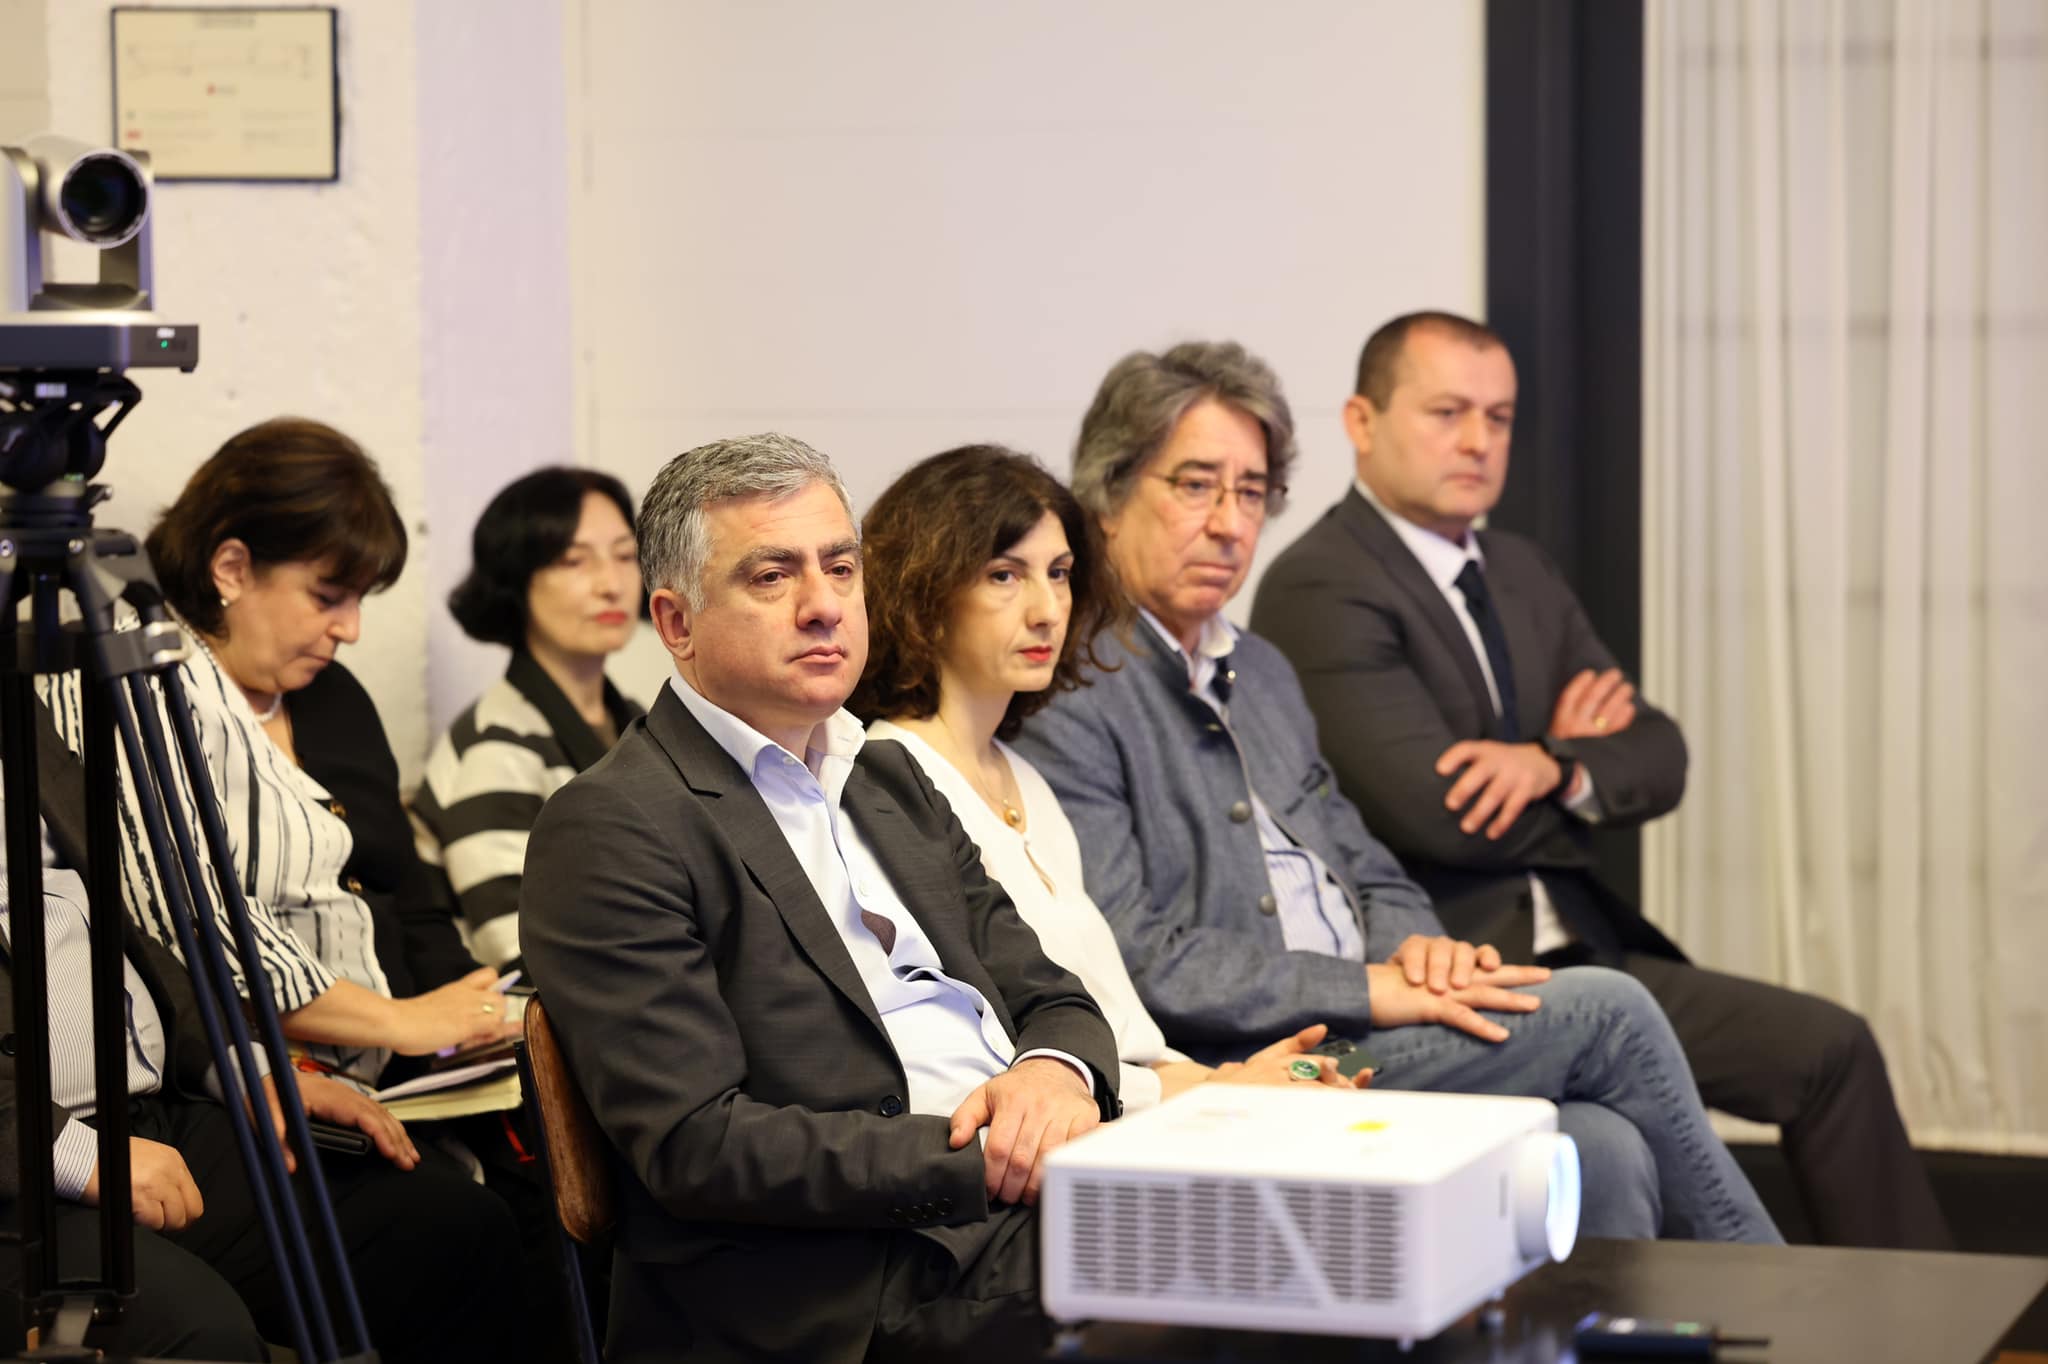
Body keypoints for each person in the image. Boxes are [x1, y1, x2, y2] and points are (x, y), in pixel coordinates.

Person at [1010, 340, 1780, 1245]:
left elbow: (1362, 861)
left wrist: (1422, 952)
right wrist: (1373, 989)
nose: (1229, 524)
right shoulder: (1075, 685)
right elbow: (1142, 955)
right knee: (1610, 1011)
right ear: (1108, 494)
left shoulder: (1260, 671)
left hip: (1365, 1019)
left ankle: (1619, 1324)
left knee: (1599, 1146)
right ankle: (1781, 1296)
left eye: (1251, 492)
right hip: (1254, 1059)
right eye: (1196, 486)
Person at [1248, 310, 1950, 1249]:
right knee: (1627, 1134)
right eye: (1448, 412)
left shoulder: (1519, 569)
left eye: (1499, 417)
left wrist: (1549, 762)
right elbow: (1440, 816)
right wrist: (1574, 775)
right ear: (1361, 423)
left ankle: (1915, 1314)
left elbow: (1660, 755)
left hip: (1587, 947)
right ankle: (1768, 1301)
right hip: (1462, 967)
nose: (1478, 440)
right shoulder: (1322, 582)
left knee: (1831, 1047)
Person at [519, 433, 1120, 1364]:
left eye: (841, 568)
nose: (824, 605)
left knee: (1307, 1228)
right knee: (1253, 1272)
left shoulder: (888, 777)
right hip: (846, 1282)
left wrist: (1055, 1076)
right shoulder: (612, 823)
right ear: (675, 622)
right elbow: (698, 1145)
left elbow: (1052, 994)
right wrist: (985, 1158)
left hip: (1012, 1207)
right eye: (772, 577)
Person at [0, 705, 525, 1361]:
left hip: (151, 1113)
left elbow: (129, 928)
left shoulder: (21, 714)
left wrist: (251, 1070)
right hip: (25, 1166)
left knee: (455, 1229)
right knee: (203, 1339)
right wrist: (74, 1154)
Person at [852, 444, 1364, 1107]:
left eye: (1060, 573)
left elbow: (1120, 1039)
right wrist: (1219, 1092)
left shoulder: (1023, 776)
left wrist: (1236, 1081)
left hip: (1131, 1103)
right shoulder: (890, 781)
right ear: (923, 591)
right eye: (1005, 575)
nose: (1046, 609)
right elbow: (1002, 1062)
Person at [40, 418, 517, 1087]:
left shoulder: (330, 695)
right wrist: (401, 1021)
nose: (350, 629)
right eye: (328, 597)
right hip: (252, 1089)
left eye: (358, 600)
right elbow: (187, 917)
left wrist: (473, 1009)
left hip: (405, 1070)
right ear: (231, 568)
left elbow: (403, 889)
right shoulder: (130, 679)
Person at [412, 466, 646, 970]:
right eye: (573, 561)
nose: (611, 584)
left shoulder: (638, 722)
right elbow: (516, 951)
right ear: (517, 580)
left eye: (626, 556)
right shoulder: (497, 743)